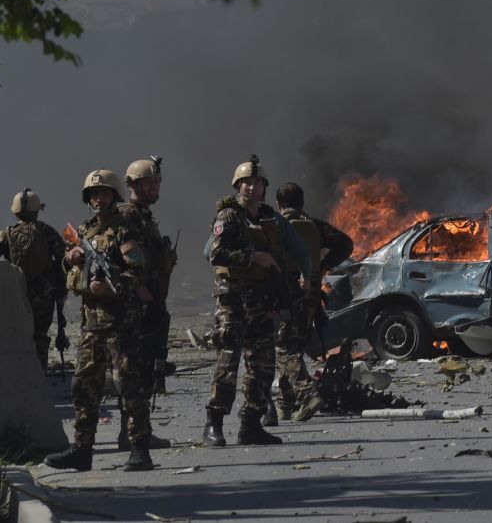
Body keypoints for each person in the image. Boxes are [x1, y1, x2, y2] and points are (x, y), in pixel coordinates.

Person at [44, 170, 155, 472]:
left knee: (130, 386)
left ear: (114, 196)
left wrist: (112, 282)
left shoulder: (125, 230)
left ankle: (140, 449)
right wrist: (73, 258)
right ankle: (82, 449)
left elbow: (140, 274)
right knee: (84, 387)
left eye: (103, 193)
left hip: (120, 322)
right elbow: (69, 268)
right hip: (91, 323)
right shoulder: (85, 230)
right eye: (93, 194)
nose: (97, 199)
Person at [202, 156, 310, 447]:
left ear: (264, 188)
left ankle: (251, 423)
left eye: (257, 182)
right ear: (238, 186)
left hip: (262, 301)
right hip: (233, 300)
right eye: (246, 183)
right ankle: (214, 423)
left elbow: (294, 248)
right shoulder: (229, 217)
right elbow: (215, 254)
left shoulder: (270, 219)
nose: (251, 187)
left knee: (262, 365)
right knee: (228, 360)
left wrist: (302, 275)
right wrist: (253, 258)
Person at [268, 182, 353, 423]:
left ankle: (308, 394)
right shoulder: (315, 226)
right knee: (291, 346)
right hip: (311, 293)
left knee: (285, 348)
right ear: (302, 203)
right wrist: (322, 267)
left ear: (279, 204)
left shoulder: (275, 225)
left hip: (284, 292)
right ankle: (285, 405)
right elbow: (346, 244)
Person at [117, 156, 177, 451]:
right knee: (135, 369)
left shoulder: (143, 217)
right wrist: (141, 292)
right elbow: (126, 259)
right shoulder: (127, 216)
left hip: (151, 302)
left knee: (145, 367)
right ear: (133, 185)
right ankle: (134, 433)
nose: (155, 187)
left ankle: (136, 430)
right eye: (148, 182)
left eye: (157, 182)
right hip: (137, 304)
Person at [0, 189, 66, 369]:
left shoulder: (7, 234)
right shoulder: (46, 231)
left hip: (16, 292)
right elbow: (63, 259)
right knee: (40, 335)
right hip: (43, 293)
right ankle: (39, 372)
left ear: (15, 212)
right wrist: (61, 288)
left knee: (17, 334)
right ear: (37, 210)